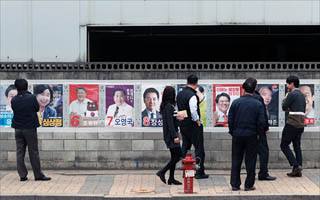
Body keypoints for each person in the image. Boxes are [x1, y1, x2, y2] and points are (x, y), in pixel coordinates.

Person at [228, 77, 265, 191]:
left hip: (237, 134)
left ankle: (235, 184)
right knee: (251, 160)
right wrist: (259, 134)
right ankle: (248, 185)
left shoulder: (236, 102)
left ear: (242, 88)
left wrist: (232, 131)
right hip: (252, 135)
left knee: (236, 159)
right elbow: (261, 122)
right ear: (255, 88)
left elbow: (230, 119)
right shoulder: (258, 104)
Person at [11, 79, 51, 181]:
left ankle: (22, 175)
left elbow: (15, 110)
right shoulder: (32, 98)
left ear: (17, 88)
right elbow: (37, 109)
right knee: (33, 151)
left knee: (20, 151)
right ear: (27, 87)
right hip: (30, 128)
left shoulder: (14, 100)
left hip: (18, 129)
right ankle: (38, 175)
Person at [177, 75, 208, 179]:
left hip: (183, 125)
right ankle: (199, 172)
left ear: (187, 82)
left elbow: (180, 110)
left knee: (185, 146)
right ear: (196, 83)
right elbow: (193, 109)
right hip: (193, 125)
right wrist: (197, 120)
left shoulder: (180, 94)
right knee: (199, 149)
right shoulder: (192, 95)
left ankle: (185, 170)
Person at [156, 86, 182, 185]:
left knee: (174, 157)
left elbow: (172, 122)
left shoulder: (168, 106)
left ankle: (171, 178)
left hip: (170, 135)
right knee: (179, 155)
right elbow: (170, 124)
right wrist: (175, 136)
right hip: (171, 136)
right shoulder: (168, 107)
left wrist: (179, 119)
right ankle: (162, 172)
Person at [281, 76, 306, 177]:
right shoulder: (301, 95)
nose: (287, 85)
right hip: (301, 124)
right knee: (296, 146)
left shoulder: (292, 94)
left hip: (292, 123)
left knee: (283, 145)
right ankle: (298, 169)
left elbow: (283, 107)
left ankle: (296, 166)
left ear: (292, 84)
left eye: (287, 84)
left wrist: (286, 97)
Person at [253, 80, 276, 181]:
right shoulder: (258, 99)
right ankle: (263, 173)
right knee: (264, 152)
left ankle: (251, 174)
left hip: (249, 131)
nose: (267, 97)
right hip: (259, 131)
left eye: (269, 95)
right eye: (264, 94)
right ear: (256, 87)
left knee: (250, 153)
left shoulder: (242, 99)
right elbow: (262, 116)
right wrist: (265, 128)